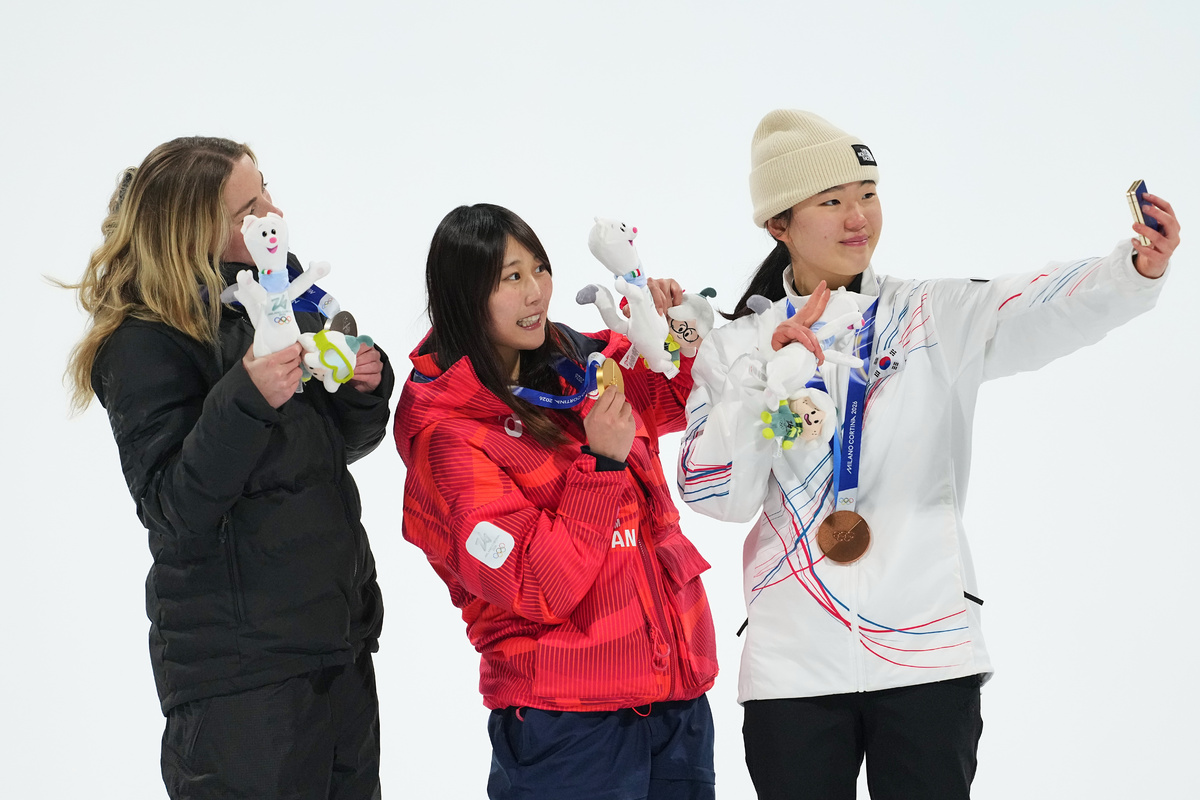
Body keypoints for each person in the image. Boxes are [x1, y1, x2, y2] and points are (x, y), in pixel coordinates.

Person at [677, 110, 1179, 799]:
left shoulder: (929, 316)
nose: (859, 217)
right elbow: (716, 496)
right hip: (793, 667)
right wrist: (770, 372)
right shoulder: (736, 347)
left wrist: (1130, 270)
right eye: (832, 201)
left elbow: (1032, 302)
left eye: (868, 194)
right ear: (778, 224)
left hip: (926, 655)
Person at [63, 137, 393, 799]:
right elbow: (173, 508)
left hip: (334, 645)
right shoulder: (142, 342)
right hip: (241, 678)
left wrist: (361, 386)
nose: (273, 211)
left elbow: (324, 451)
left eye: (266, 189)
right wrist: (246, 395)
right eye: (249, 206)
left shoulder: (279, 294)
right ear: (197, 229)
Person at [393, 204, 719, 800]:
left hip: (674, 703)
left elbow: (675, 390)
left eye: (539, 269)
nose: (536, 291)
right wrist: (601, 464)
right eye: (510, 277)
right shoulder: (451, 438)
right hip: (566, 725)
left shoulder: (579, 365)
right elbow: (538, 583)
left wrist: (677, 327)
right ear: (464, 296)